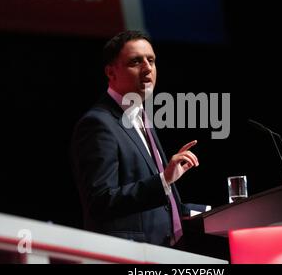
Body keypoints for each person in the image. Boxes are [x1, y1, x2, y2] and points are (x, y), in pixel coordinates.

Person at [71, 30, 208, 247]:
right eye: (136, 62)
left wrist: (214, 214)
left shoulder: (141, 118)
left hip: (165, 252)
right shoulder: (98, 124)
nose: (147, 68)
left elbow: (158, 206)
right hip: (129, 254)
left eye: (151, 60)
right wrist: (164, 180)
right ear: (110, 72)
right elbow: (100, 202)